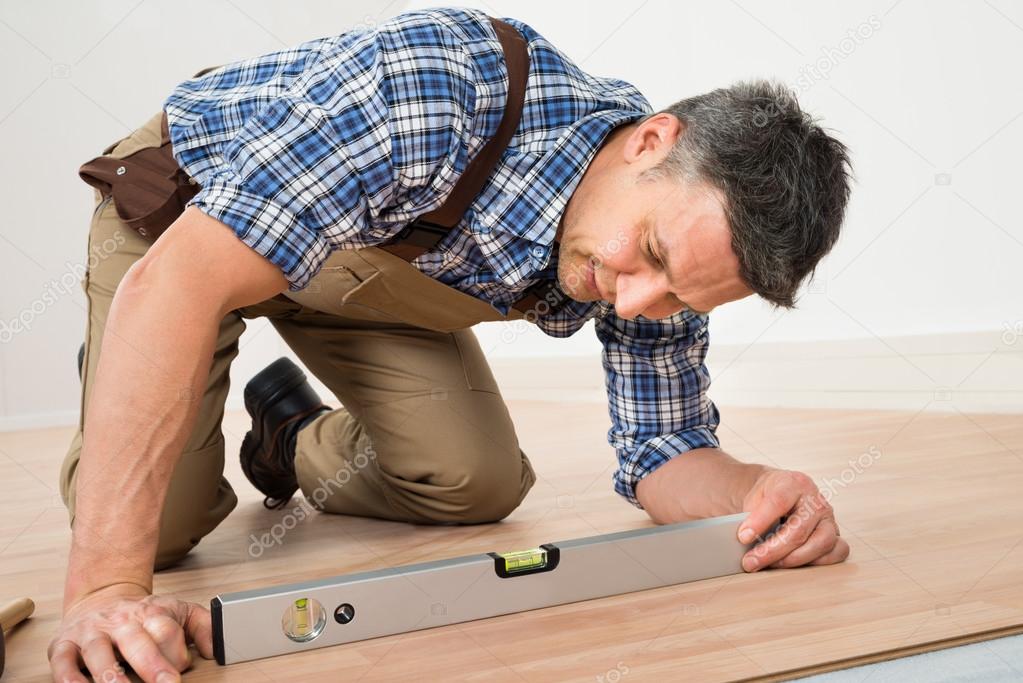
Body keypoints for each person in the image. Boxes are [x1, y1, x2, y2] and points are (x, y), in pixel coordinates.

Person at [49, 8, 852, 682]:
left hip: (348, 272)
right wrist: (103, 591)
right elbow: (181, 279)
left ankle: (285, 437)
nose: (641, 302)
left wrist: (755, 494)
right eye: (654, 258)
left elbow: (663, 450)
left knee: (475, 482)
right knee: (159, 533)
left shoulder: (680, 239)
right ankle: (137, 367)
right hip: (182, 231)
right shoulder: (437, 89)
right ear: (651, 141)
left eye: (679, 296)